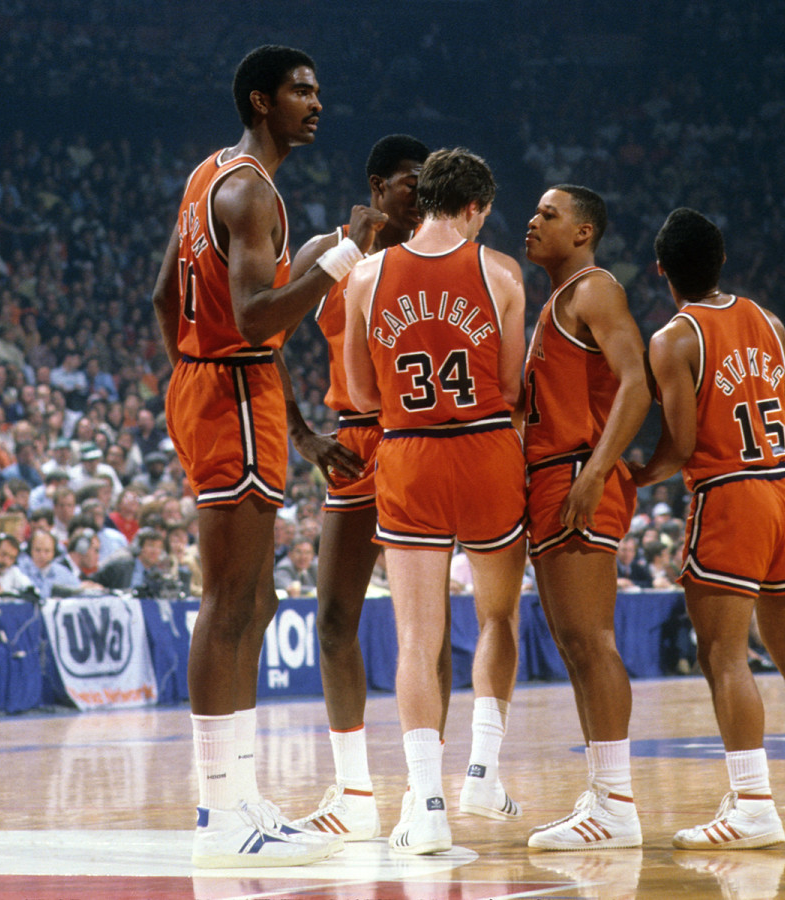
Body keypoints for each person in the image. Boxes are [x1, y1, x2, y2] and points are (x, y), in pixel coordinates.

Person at [150, 43, 385, 868]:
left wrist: (198, 370)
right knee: (230, 602)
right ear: (260, 101)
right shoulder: (251, 191)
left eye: (318, 89)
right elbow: (253, 318)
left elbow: (165, 299)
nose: (316, 102)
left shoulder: (207, 177)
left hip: (221, 387)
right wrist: (341, 255)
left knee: (259, 600)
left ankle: (241, 797)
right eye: (300, 91)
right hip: (233, 391)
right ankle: (220, 815)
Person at [631, 207, 785, 849]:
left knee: (723, 655)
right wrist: (781, 474)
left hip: (731, 497)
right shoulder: (768, 319)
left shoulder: (673, 339)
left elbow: (678, 447)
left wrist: (634, 477)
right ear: (722, 260)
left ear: (661, 272)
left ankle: (754, 806)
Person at [345, 147, 528, 855]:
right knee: (497, 617)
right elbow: (511, 387)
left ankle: (425, 807)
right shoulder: (500, 272)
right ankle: (482, 770)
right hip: (485, 450)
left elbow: (361, 396)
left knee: (416, 642)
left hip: (409, 454)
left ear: (421, 200)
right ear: (477, 207)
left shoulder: (367, 276)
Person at [277, 135, 454, 845]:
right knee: (333, 620)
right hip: (352, 443)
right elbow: (263, 338)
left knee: (428, 630)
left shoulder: (441, 252)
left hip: (420, 444)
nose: (422, 196)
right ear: (379, 185)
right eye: (412, 183)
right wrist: (301, 435)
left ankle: (426, 792)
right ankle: (354, 793)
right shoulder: (333, 249)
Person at [521, 185, 650, 851]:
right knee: (575, 644)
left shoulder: (594, 289)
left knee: (591, 640)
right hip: (555, 476)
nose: (532, 220)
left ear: (583, 231)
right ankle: (604, 794)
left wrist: (596, 472)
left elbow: (637, 380)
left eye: (548, 214)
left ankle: (618, 805)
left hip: (575, 473)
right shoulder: (554, 303)